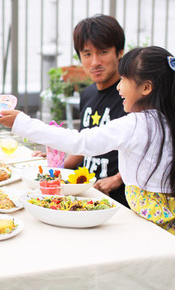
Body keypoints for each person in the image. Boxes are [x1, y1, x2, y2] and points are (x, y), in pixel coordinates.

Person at [0, 46, 175, 256]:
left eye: (124, 80)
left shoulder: (135, 124)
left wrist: (21, 122)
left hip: (151, 233)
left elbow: (80, 142)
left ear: (146, 88)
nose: (118, 88)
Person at [34, 14, 128, 207]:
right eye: (87, 54)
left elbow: (148, 148)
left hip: (116, 198)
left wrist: (117, 179)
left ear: (119, 52)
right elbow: (84, 145)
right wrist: (53, 166)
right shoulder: (88, 94)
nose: (94, 62)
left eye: (103, 52)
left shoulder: (129, 95)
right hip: (83, 192)